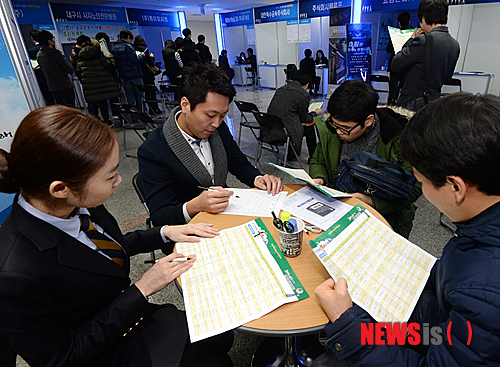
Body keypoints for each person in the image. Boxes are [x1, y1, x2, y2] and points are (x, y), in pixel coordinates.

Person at [0, 105, 234, 367]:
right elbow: (62, 358)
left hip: (126, 315)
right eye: (111, 175)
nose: (119, 180)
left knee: (222, 337)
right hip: (102, 351)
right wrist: (142, 289)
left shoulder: (76, 201)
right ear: (61, 188)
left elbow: (100, 249)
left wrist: (165, 233)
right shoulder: (15, 272)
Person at [314, 92, 500, 367]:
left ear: (456, 188)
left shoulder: (483, 292)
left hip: (438, 334)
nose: (420, 189)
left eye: (422, 181)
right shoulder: (481, 224)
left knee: (327, 359)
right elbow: (462, 273)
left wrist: (350, 327)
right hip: (444, 321)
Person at [138, 62, 282, 226]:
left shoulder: (217, 129)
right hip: (188, 228)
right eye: (210, 115)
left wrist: (257, 178)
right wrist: (195, 206)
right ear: (185, 105)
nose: (216, 124)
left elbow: (237, 162)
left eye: (222, 116)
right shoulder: (154, 150)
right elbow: (160, 216)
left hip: (223, 215)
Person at [309, 80, 421, 238]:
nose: (339, 132)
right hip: (335, 211)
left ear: (368, 121)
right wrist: (319, 178)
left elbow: (413, 189)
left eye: (345, 128)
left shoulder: (399, 138)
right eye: (336, 125)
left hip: (382, 217)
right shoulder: (332, 129)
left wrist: (371, 201)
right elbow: (318, 161)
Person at [392, 0, 460, 111]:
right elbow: (447, 78)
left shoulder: (423, 40)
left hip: (412, 103)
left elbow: (396, 64)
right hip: (434, 102)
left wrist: (410, 40)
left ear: (423, 17)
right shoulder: (454, 44)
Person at [267, 70, 322, 163]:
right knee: (309, 130)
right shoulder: (303, 94)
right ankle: (313, 158)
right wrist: (315, 113)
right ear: (307, 84)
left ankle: (291, 154)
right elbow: (305, 118)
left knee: (290, 121)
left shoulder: (281, 89)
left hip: (268, 130)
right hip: (284, 132)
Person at [76, 39, 122, 124]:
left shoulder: (80, 58)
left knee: (92, 106)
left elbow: (78, 72)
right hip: (103, 83)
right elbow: (109, 66)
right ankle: (107, 120)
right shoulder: (99, 55)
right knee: (103, 103)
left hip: (90, 85)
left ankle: (94, 124)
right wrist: (111, 59)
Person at [36, 30, 75, 107]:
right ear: (49, 41)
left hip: (52, 88)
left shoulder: (39, 55)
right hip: (64, 86)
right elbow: (70, 70)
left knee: (60, 110)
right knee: (70, 109)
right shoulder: (55, 53)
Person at [111, 30, 145, 111]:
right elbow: (135, 60)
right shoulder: (128, 47)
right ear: (128, 37)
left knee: (130, 98)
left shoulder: (113, 48)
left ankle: (133, 116)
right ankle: (143, 115)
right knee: (140, 97)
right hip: (135, 75)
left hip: (124, 76)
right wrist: (142, 56)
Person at [386, 12, 412, 105]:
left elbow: (388, 49)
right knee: (404, 88)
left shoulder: (395, 34)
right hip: (406, 66)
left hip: (394, 64)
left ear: (399, 23)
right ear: (409, 21)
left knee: (392, 89)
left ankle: (390, 105)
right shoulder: (412, 35)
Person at [133, 35, 160, 114]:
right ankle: (154, 108)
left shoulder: (133, 50)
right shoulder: (145, 50)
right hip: (148, 74)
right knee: (152, 92)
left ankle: (147, 110)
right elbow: (150, 63)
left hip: (139, 74)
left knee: (144, 93)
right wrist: (152, 57)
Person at [27, 29, 54, 105]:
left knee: (48, 98)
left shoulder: (30, 51)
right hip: (53, 76)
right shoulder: (50, 49)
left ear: (32, 38)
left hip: (41, 77)